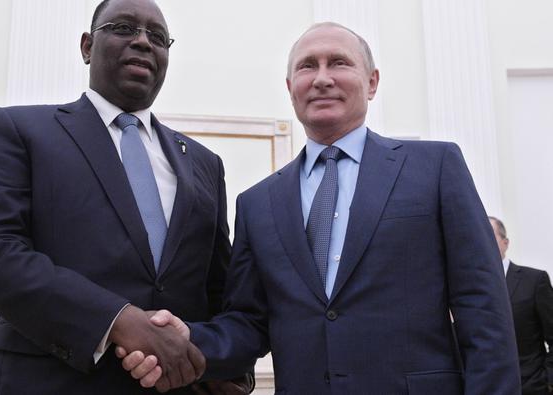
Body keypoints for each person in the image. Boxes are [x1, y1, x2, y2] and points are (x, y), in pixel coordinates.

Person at [121, 21, 521, 394]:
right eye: (307, 66)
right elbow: (249, 322)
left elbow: (483, 310)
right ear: (291, 86)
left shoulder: (434, 167)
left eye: (339, 63)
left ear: (372, 81)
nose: (323, 78)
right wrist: (187, 339)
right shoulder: (257, 204)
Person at [0, 0, 252, 393]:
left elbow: (216, 290)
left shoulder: (204, 164)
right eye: (124, 28)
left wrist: (220, 368)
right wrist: (119, 320)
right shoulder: (21, 130)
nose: (144, 42)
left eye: (158, 37)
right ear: (86, 47)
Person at [490, 216, 553, 394]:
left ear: (505, 242)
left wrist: (548, 382)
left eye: (489, 236)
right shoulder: (466, 287)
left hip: (531, 387)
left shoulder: (534, 281)